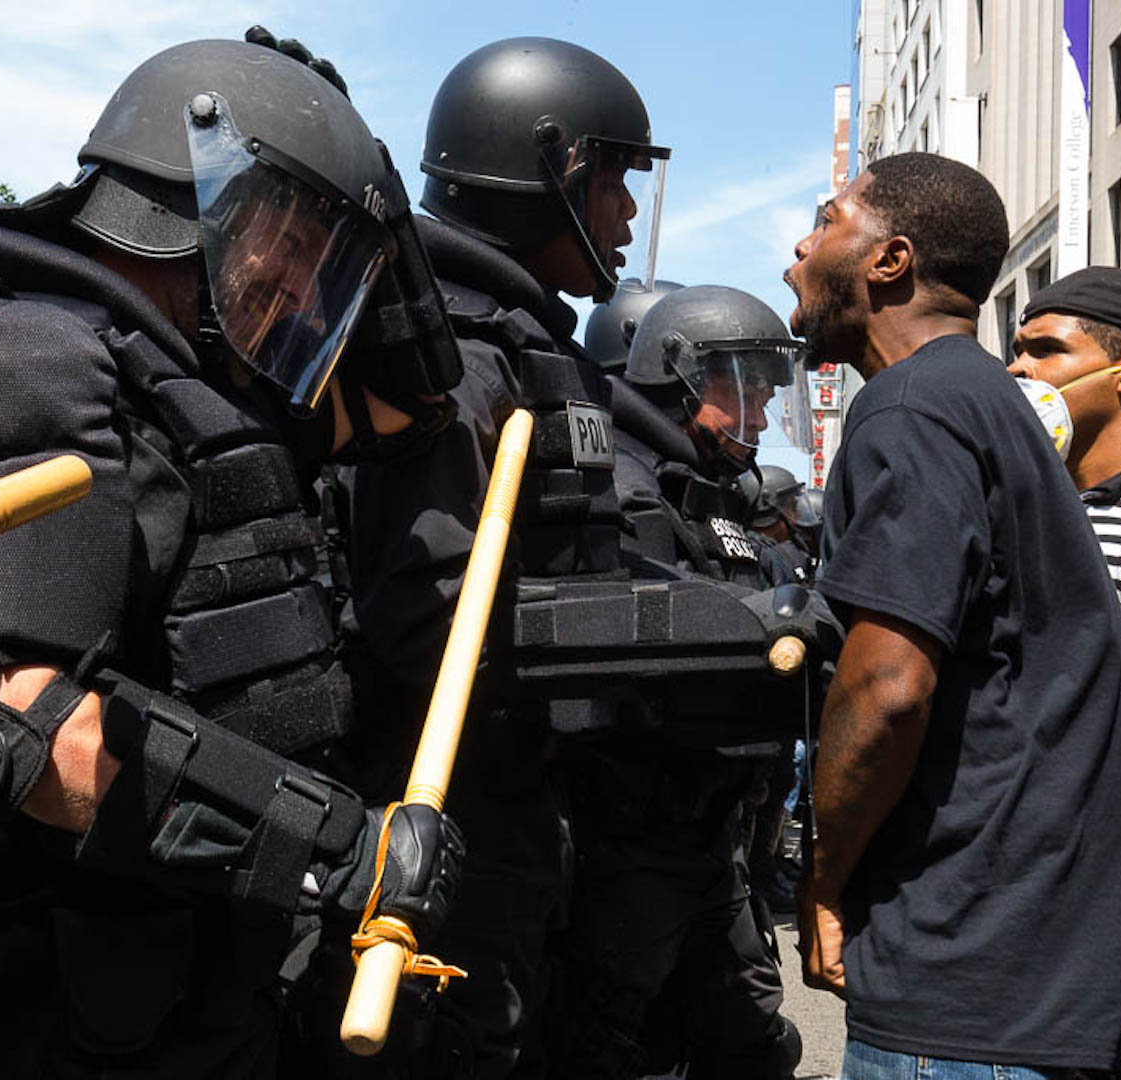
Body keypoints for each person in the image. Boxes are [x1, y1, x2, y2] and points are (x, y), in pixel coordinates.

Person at [0, 38, 463, 1078]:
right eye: (287, 240)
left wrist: (357, 166)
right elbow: (14, 725)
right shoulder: (22, 352)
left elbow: (416, 402)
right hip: (59, 1005)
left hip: (203, 975)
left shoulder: (196, 379)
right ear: (182, 199)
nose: (298, 287)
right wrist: (336, 852)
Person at [314, 37, 670, 1078]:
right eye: (614, 178)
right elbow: (425, 612)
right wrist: (664, 637)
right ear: (553, 167)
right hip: (440, 824)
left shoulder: (523, 341)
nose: (627, 213)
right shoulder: (461, 350)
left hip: (515, 811)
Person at [789, 151, 1121, 1076]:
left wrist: (824, 873)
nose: (799, 245)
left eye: (826, 219)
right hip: (1025, 984)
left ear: (888, 261)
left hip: (955, 995)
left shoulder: (911, 408)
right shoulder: (989, 407)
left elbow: (888, 686)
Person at [554, 283, 812, 1079]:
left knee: (752, 1043)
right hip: (632, 832)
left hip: (705, 831)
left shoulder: (706, 493)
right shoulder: (629, 484)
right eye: (743, 392)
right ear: (681, 373)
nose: (761, 421)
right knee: (617, 1047)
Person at [1008, 266, 1121, 1078]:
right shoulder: (1040, 516)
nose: (1016, 371)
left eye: (1043, 350)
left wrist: (1113, 915)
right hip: (1048, 972)